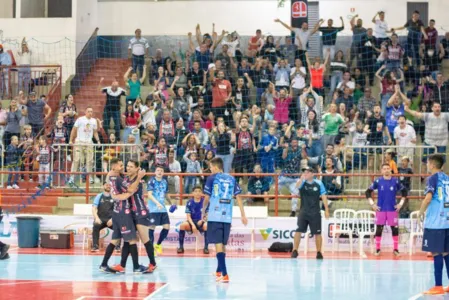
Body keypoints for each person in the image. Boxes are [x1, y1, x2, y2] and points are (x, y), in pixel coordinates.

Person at [100, 158, 148, 274]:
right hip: (123, 212)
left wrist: (120, 195)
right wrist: (139, 178)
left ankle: (104, 264)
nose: (123, 168)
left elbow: (113, 193)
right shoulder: (118, 178)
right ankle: (136, 267)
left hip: (116, 212)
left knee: (115, 240)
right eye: (121, 165)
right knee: (132, 240)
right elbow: (131, 189)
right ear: (114, 166)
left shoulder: (110, 176)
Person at [203, 157, 247, 283]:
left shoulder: (212, 178)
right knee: (222, 244)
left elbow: (206, 198)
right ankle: (218, 271)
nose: (210, 169)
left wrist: (203, 211)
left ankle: (225, 274)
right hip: (227, 217)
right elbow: (238, 197)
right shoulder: (232, 178)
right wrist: (243, 215)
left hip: (215, 216)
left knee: (218, 245)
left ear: (216, 167)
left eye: (211, 167)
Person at [110, 160, 157, 273]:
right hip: (129, 214)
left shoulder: (139, 181)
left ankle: (153, 263)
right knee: (128, 240)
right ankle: (122, 265)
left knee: (145, 239)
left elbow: (131, 189)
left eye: (131, 166)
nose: (128, 168)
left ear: (137, 168)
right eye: (127, 166)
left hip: (140, 213)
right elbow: (113, 177)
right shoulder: (125, 179)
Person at [419, 154, 449, 295]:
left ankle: (438, 286)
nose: (427, 165)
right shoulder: (447, 178)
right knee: (446, 253)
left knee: (437, 252)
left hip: (435, 222)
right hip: (446, 221)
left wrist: (420, 212)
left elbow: (428, 197)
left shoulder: (432, 178)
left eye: (427, 163)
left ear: (432, 164)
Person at [365, 163, 407, 256]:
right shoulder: (378, 181)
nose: (386, 170)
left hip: (392, 209)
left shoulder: (395, 181)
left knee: (394, 229)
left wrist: (400, 204)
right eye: (384, 169)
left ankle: (396, 249)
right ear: (382, 171)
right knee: (379, 229)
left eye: (388, 168)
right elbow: (367, 192)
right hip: (381, 209)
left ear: (390, 170)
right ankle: (377, 249)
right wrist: (373, 204)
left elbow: (405, 191)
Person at [291, 166, 329, 259]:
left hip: (315, 212)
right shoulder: (302, 182)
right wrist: (301, 178)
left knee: (318, 233)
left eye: (307, 172)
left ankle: (319, 252)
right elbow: (296, 187)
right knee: (298, 230)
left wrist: (327, 210)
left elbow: (324, 196)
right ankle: (295, 250)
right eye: (304, 172)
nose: (305, 174)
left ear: (313, 174)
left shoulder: (319, 183)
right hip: (303, 211)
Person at [147, 165, 174, 255]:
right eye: (158, 170)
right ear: (155, 172)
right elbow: (149, 195)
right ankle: (151, 249)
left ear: (163, 173)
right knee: (152, 227)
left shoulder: (164, 181)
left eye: (161, 171)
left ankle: (158, 245)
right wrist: (157, 203)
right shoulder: (151, 181)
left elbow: (166, 194)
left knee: (167, 227)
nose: (159, 172)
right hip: (153, 209)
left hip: (162, 208)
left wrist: (171, 203)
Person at [177, 185, 209, 254]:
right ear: (193, 193)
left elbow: (207, 214)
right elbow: (188, 216)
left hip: (201, 221)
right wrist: (193, 225)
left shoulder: (205, 202)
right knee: (182, 225)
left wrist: (203, 220)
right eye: (196, 191)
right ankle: (181, 247)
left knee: (206, 226)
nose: (197, 193)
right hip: (192, 222)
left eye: (199, 191)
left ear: (201, 193)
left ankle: (206, 248)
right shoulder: (189, 202)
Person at [91, 182, 116, 252]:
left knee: (118, 227)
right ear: (103, 186)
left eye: (109, 185)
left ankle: (117, 246)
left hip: (111, 220)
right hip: (100, 219)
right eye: (106, 185)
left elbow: (117, 210)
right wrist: (96, 218)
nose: (108, 186)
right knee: (95, 226)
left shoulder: (114, 196)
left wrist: (112, 219)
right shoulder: (99, 196)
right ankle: (95, 246)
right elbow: (94, 208)